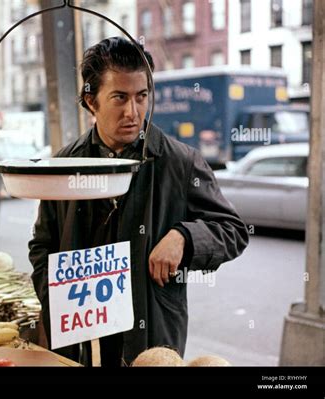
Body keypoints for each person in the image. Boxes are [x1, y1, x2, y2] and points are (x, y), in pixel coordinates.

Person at [28, 37, 250, 367]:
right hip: (80, 339)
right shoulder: (64, 165)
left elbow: (233, 230)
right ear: (92, 100)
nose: (133, 112)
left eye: (141, 97)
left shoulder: (180, 162)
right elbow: (42, 245)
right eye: (119, 97)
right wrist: (56, 298)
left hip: (151, 337)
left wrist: (184, 238)